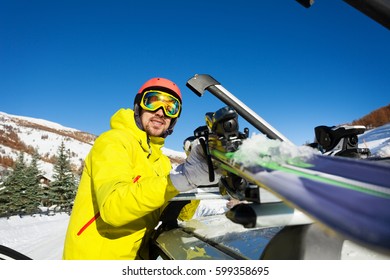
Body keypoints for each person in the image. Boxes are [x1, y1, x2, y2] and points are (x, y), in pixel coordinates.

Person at [62, 77, 219, 260]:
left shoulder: (162, 162)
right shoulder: (113, 142)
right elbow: (114, 209)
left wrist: (199, 177)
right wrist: (181, 178)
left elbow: (177, 214)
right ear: (139, 106)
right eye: (153, 101)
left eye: (171, 107)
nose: (161, 112)